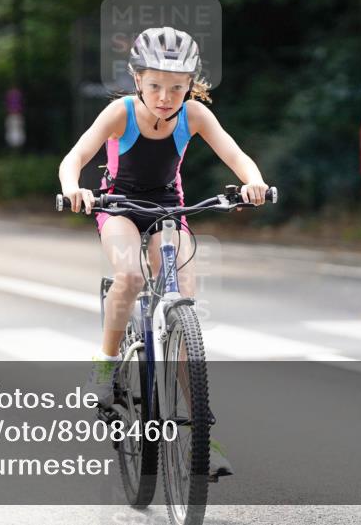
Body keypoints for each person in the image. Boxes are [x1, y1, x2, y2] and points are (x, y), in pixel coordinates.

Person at [57, 26, 269, 478]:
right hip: (117, 208)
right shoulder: (121, 113)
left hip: (169, 211)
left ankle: (202, 439)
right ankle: (106, 363)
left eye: (177, 87)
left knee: (182, 304)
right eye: (155, 85)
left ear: (190, 85)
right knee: (130, 277)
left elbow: (237, 156)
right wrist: (74, 190)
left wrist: (253, 182)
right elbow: (73, 159)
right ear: (137, 80)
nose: (166, 96)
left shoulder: (194, 116)